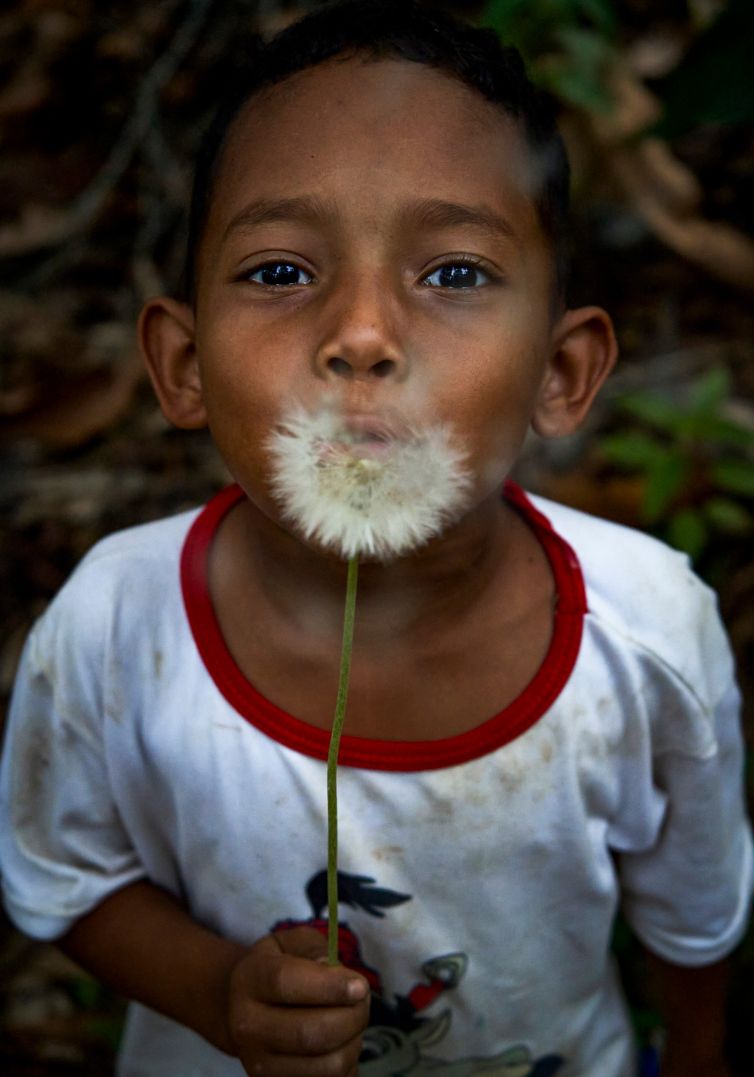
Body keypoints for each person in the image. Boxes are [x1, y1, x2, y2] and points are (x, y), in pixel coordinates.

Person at [1, 2, 751, 1074]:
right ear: (182, 366)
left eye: (452, 273)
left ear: (560, 372)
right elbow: (63, 879)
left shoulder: (650, 634)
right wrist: (216, 995)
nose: (360, 335)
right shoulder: (113, 624)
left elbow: (696, 915)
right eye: (279, 272)